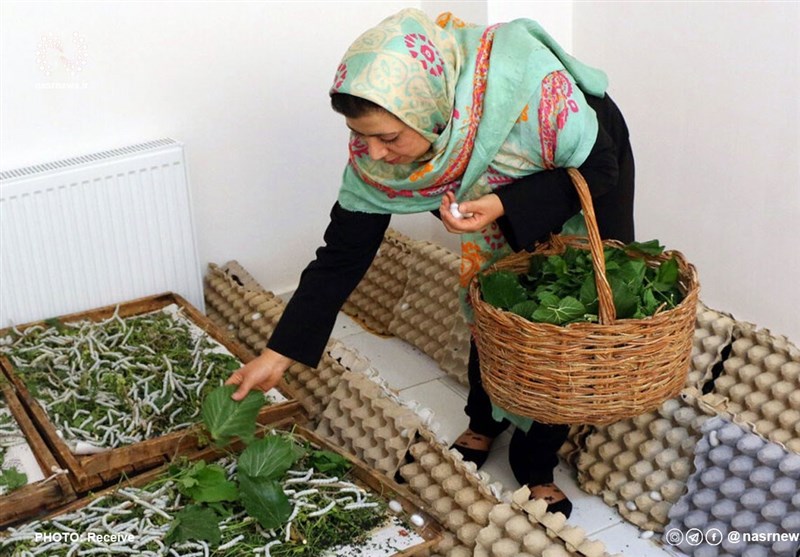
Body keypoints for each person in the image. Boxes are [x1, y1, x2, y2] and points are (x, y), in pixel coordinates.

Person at [225, 8, 634, 518]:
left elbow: (601, 168)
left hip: (582, 164)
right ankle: (485, 420)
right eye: (360, 135)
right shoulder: (393, 144)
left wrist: (505, 204)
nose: (375, 153)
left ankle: (536, 460)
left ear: (432, 112)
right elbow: (341, 256)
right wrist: (278, 354)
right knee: (494, 297)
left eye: (389, 138)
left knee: (563, 313)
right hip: (505, 173)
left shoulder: (542, 98)